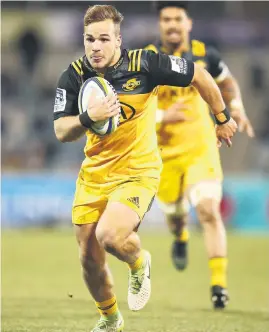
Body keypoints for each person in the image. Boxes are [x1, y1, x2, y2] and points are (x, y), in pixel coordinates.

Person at [53, 5, 237, 331]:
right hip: (94, 174)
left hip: (138, 171)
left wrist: (222, 118)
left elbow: (199, 75)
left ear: (118, 40)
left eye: (104, 39)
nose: (96, 46)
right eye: (89, 39)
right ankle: (110, 319)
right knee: (88, 258)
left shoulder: (146, 64)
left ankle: (139, 262)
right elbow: (61, 131)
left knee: (110, 235)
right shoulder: (73, 76)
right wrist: (87, 117)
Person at [145, 1, 254, 309]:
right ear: (160, 24)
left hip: (200, 148)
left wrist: (237, 109)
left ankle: (219, 287)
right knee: (175, 217)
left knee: (208, 210)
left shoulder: (206, 54)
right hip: (163, 153)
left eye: (177, 18)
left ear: (188, 23)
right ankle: (180, 238)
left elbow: (226, 80)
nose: (172, 25)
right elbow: (133, 108)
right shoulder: (147, 60)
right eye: (166, 19)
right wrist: (164, 115)